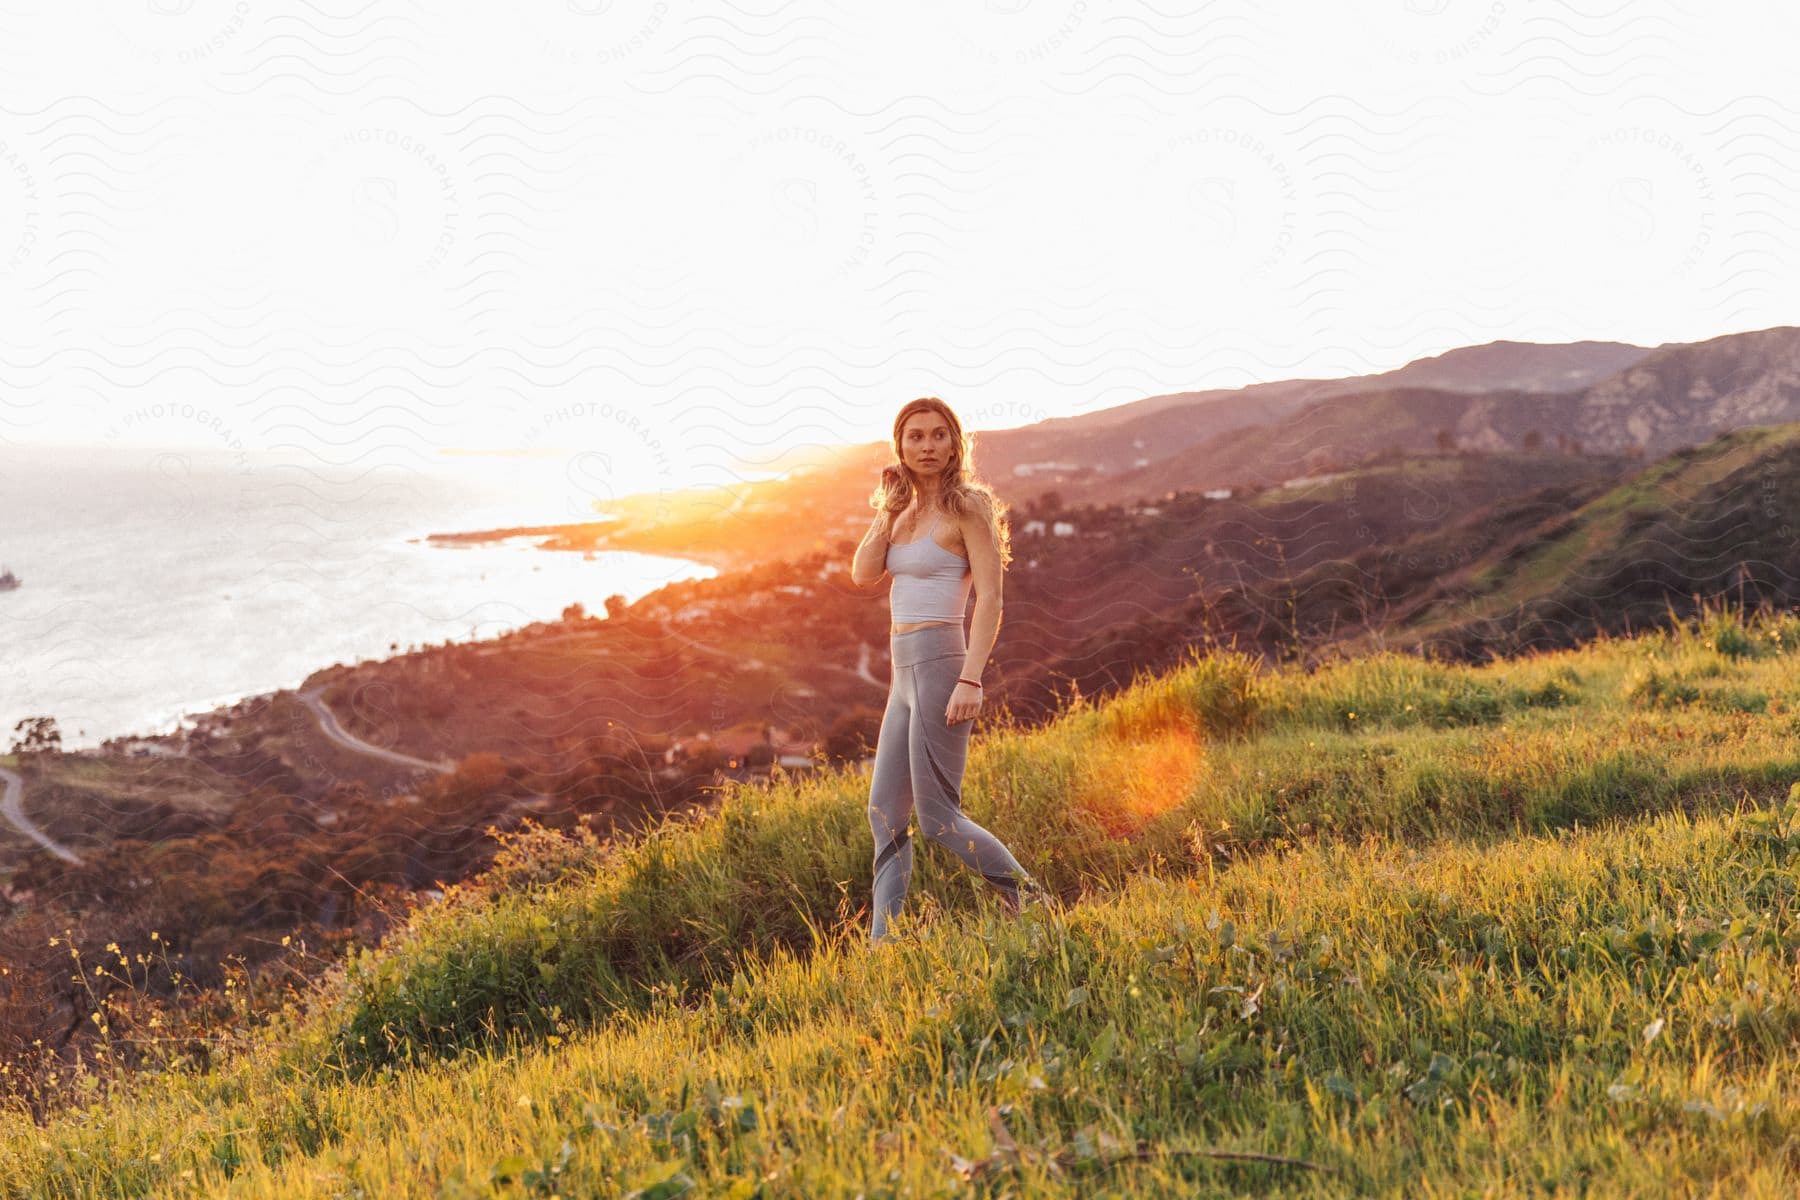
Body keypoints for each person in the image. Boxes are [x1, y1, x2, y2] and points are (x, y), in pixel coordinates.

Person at [849, 396, 1047, 944]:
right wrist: (886, 509)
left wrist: (971, 678)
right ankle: (882, 946)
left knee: (938, 819)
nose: (927, 445)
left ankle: (1033, 905)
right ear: (900, 445)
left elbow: (991, 600)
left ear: (955, 442)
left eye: (938, 435)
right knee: (884, 814)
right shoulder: (902, 512)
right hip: (901, 674)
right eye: (915, 436)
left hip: (942, 666)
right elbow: (863, 573)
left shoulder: (969, 507)